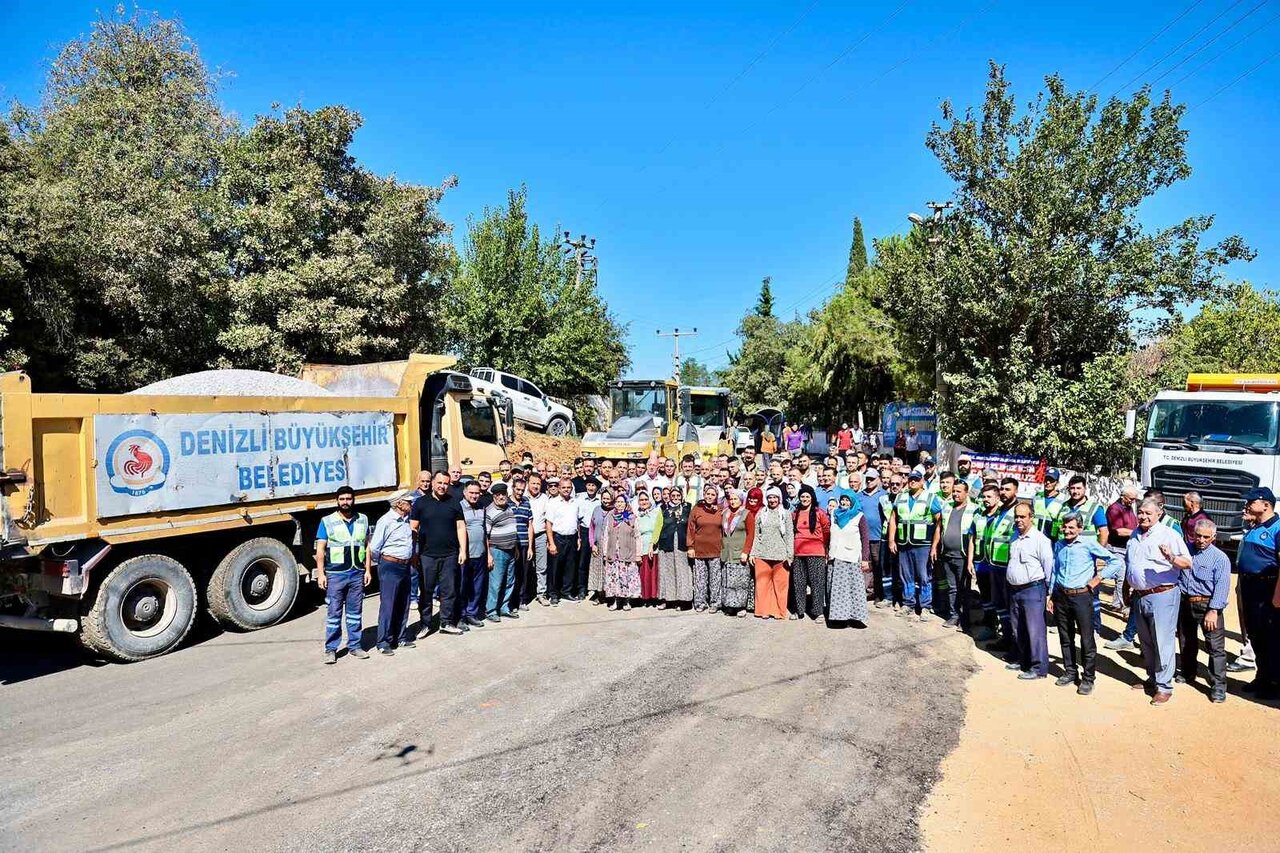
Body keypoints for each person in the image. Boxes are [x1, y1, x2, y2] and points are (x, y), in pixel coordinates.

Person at [1126, 497, 1192, 706]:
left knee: (1162, 641)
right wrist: (1127, 585)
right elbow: (1131, 563)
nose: (1143, 516)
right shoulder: (1135, 534)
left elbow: (1187, 562)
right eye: (1141, 512)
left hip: (1163, 595)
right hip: (1139, 595)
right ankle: (1153, 678)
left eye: (1148, 513)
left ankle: (1164, 687)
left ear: (1159, 514)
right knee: (1146, 641)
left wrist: (1171, 557)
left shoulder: (1169, 535)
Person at [1049, 513, 1120, 694]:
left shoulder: (1088, 544)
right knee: (1066, 638)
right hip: (1061, 596)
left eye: (1072, 527)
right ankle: (1070, 671)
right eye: (1065, 527)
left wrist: (1097, 579)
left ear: (1080, 529)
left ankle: (1088, 678)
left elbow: (1115, 561)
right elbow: (1055, 571)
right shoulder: (1059, 545)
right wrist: (1051, 594)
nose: (1067, 530)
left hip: (1082, 597)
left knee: (1086, 639)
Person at [316, 486, 371, 663]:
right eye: (342, 499)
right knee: (334, 613)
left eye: (348, 499)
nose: (345, 502)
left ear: (353, 500)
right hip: (336, 575)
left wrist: (368, 570)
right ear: (337, 501)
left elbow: (367, 546)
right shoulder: (327, 521)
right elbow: (320, 549)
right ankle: (331, 649)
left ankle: (355, 646)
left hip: (357, 573)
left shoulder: (363, 519)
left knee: (355, 612)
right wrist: (321, 574)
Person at [1179, 517, 1231, 703]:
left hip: (1207, 605)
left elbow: (1222, 586)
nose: (1201, 540)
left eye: (1206, 537)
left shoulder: (1220, 558)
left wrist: (1214, 610)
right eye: (1198, 536)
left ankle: (1218, 687)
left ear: (1214, 537)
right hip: (1185, 603)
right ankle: (1187, 673)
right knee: (1186, 642)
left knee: (1215, 648)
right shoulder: (1186, 551)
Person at [410, 471, 467, 636]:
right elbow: (413, 528)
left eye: (446, 484)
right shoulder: (420, 503)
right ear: (433, 483)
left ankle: (446, 622)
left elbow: (461, 527)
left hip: (450, 555)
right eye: (440, 483)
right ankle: (425, 624)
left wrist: (462, 550)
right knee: (426, 591)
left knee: (448, 591)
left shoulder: (454, 503)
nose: (442, 486)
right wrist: (414, 553)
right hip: (427, 555)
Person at [1236, 487, 1280, 699]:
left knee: (1271, 637)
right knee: (1255, 634)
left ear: (1266, 504)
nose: (1248, 504)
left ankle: (1274, 683)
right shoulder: (1255, 526)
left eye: (1252, 501)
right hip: (1250, 587)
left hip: (1268, 588)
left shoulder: (1277, 528)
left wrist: (1278, 595)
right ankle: (1262, 676)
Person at [1006, 502, 1053, 680]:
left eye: (1022, 517)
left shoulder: (1040, 540)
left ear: (1031, 517)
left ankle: (1039, 667)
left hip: (1033, 589)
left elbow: (1048, 566)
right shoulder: (1014, 537)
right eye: (1016, 516)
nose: (1018, 520)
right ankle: (1023, 660)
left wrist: (1048, 591)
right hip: (1015, 590)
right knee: (1018, 628)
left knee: (1035, 630)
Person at [888, 470, 942, 622]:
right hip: (904, 544)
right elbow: (893, 519)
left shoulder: (930, 497)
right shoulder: (901, 496)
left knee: (924, 576)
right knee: (906, 576)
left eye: (916, 479)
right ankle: (908, 604)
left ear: (922, 482)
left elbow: (939, 522)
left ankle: (925, 606)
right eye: (911, 479)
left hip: (923, 545)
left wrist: (934, 546)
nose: (912, 482)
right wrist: (892, 540)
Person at [369, 489, 416, 655]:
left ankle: (400, 636)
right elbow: (374, 547)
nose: (411, 504)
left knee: (404, 602)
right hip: (390, 565)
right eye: (408, 502)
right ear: (399, 504)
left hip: (405, 565)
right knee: (389, 604)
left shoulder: (405, 520)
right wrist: (384, 561)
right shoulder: (386, 521)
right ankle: (383, 641)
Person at [976, 479, 1020, 652]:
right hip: (995, 564)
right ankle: (1006, 638)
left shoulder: (1017, 511)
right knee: (1000, 604)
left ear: (1015, 491)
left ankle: (1014, 643)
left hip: (1008, 567)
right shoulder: (1001, 510)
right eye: (1002, 488)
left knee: (1011, 607)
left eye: (1007, 489)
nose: (1003, 492)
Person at [933, 477, 976, 628]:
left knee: (964, 588)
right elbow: (939, 527)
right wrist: (934, 547)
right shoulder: (946, 507)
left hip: (962, 556)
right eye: (954, 491)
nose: (955, 494)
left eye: (959, 491)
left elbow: (974, 535)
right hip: (947, 554)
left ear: (966, 493)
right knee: (952, 587)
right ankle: (954, 615)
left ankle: (965, 618)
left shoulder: (974, 509)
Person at [751, 487, 794, 620]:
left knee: (780, 585)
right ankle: (763, 610)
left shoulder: (785, 514)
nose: (772, 500)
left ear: (779, 498)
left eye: (775, 497)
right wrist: (753, 553)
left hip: (780, 554)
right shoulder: (761, 513)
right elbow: (756, 535)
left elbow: (789, 535)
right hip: (762, 553)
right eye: (770, 497)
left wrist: (790, 554)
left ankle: (778, 611)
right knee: (762, 584)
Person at [828, 491, 871, 623]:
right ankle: (839, 618)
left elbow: (865, 539)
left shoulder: (859, 516)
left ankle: (854, 617)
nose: (844, 503)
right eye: (842, 500)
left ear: (852, 502)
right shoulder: (834, 514)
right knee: (837, 589)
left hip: (851, 557)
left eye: (847, 500)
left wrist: (865, 559)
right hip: (835, 557)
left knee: (853, 589)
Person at [481, 483, 521, 623]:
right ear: (493, 496)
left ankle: (504, 607)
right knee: (495, 583)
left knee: (510, 581)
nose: (501, 497)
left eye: (503, 494)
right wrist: (489, 555)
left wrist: (515, 548)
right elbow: (485, 535)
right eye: (498, 495)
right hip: (497, 551)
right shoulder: (490, 511)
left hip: (511, 550)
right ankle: (491, 610)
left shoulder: (509, 508)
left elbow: (512, 528)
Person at [791, 484, 831, 621]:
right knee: (798, 582)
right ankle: (799, 610)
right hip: (798, 552)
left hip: (816, 552)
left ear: (812, 498)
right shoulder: (795, 513)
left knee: (817, 583)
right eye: (802, 496)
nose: (805, 499)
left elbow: (826, 531)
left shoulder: (820, 513)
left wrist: (825, 548)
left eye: (807, 496)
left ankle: (818, 611)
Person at [688, 485, 726, 613]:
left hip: (715, 549)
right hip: (699, 549)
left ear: (716, 496)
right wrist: (690, 547)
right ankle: (700, 602)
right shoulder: (696, 509)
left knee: (715, 578)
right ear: (704, 494)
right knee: (700, 578)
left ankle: (715, 602)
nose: (709, 496)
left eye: (712, 494)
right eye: (707, 494)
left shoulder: (721, 510)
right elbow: (691, 528)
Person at [600, 494, 642, 610]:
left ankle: (626, 601)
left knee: (626, 578)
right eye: (617, 502)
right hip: (613, 553)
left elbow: (637, 536)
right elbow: (606, 535)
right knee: (614, 578)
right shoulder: (610, 517)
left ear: (626, 503)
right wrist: (604, 553)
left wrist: (638, 554)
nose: (619, 504)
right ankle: (615, 601)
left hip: (627, 552)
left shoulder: (632, 517)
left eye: (622, 502)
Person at [457, 482, 490, 628]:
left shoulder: (482, 507)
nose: (474, 495)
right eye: (471, 492)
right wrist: (460, 551)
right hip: (464, 555)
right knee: (462, 587)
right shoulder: (458, 507)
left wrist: (488, 553)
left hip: (480, 553)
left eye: (477, 493)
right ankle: (460, 616)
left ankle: (472, 613)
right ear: (465, 493)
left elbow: (484, 533)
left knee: (477, 587)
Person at [544, 477, 580, 607]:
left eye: (568, 487)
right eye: (563, 487)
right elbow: (548, 524)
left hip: (572, 537)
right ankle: (553, 594)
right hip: (558, 538)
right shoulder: (553, 503)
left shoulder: (575, 502)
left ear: (571, 488)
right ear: (559, 488)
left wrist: (579, 538)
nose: (566, 490)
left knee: (569, 567)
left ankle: (567, 591)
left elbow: (577, 521)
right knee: (555, 568)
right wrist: (551, 543)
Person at [656, 487, 694, 608]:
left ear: (682, 496)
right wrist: (653, 543)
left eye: (678, 496)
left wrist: (692, 544)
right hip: (667, 543)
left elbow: (692, 526)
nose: (676, 498)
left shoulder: (688, 507)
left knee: (682, 571)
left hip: (682, 543)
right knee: (668, 572)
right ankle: (668, 599)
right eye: (673, 496)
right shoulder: (663, 508)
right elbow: (658, 526)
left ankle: (683, 600)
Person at [723, 488, 757, 617]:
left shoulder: (746, 514)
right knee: (729, 581)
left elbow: (751, 534)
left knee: (741, 582)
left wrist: (746, 551)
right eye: (731, 499)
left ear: (741, 500)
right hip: (728, 552)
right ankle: (731, 605)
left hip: (740, 552)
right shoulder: (725, 513)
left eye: (735, 499)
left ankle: (741, 606)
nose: (732, 501)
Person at [1104, 485, 1139, 613]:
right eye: (1131, 498)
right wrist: (1137, 532)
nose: (1133, 501)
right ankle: (1124, 605)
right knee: (1121, 576)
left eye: (1134, 499)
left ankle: (1116, 603)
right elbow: (1118, 531)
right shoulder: (1114, 509)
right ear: (1123, 496)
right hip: (1116, 547)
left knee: (1125, 576)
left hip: (1127, 547)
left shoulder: (1129, 508)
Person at [574, 478, 602, 601]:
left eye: (593, 485)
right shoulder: (580, 499)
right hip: (585, 531)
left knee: (596, 561)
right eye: (589, 485)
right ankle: (582, 588)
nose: (591, 488)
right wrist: (579, 536)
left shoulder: (601, 499)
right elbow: (577, 520)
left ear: (597, 488)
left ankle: (597, 590)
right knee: (583, 562)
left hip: (598, 532)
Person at [509, 476, 534, 610]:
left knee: (524, 573)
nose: (519, 492)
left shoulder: (526, 503)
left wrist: (530, 547)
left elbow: (530, 525)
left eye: (522, 490)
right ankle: (511, 601)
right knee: (512, 573)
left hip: (524, 544)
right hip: (511, 544)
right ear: (512, 488)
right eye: (517, 489)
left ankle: (522, 600)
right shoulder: (506, 503)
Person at [634, 489, 661, 603]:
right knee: (644, 573)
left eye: (646, 499)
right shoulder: (636, 515)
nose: (644, 502)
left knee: (653, 573)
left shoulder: (656, 512)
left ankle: (654, 597)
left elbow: (658, 529)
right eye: (641, 500)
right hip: (641, 545)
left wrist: (653, 544)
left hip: (654, 545)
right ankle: (645, 597)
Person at [587, 488, 612, 605]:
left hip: (610, 547)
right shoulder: (596, 509)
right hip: (597, 546)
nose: (606, 501)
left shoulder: (616, 511)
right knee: (597, 571)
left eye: (608, 498)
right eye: (604, 498)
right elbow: (591, 528)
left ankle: (609, 595)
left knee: (608, 571)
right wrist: (592, 545)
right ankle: (599, 594)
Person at [1032, 468, 1065, 539]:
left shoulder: (1063, 499)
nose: (1048, 482)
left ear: (1057, 482)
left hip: (1052, 539)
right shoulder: (1037, 496)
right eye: (1046, 479)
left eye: (1051, 480)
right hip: (1035, 537)